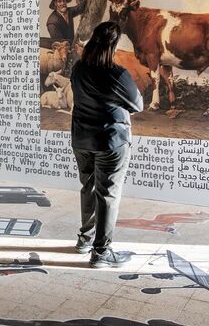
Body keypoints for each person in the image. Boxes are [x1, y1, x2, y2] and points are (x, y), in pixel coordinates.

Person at [70, 21, 143, 268]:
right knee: (108, 195)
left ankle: (84, 241)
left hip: (81, 139)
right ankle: (101, 252)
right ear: (114, 45)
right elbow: (137, 105)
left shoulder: (79, 68)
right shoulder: (116, 73)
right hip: (111, 141)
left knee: (88, 188)